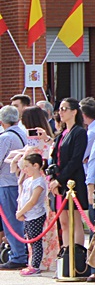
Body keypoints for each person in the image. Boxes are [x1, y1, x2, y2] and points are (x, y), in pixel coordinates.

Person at [50, 97, 88, 251]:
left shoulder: (79, 132)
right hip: (59, 181)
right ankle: (66, 252)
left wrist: (60, 179)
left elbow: (75, 159)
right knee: (63, 221)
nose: (61, 112)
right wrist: (53, 177)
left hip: (72, 179)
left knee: (75, 219)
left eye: (65, 109)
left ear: (74, 112)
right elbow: (54, 157)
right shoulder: (61, 133)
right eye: (60, 109)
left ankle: (77, 252)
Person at [0, 105, 29, 271]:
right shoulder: (23, 133)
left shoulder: (5, 138)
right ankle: (21, 251)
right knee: (19, 219)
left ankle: (18, 255)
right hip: (21, 180)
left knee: (11, 220)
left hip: (7, 182)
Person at [15, 152, 48, 276]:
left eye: (27, 166)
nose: (25, 169)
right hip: (27, 215)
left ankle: (35, 265)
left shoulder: (39, 183)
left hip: (36, 215)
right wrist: (20, 211)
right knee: (30, 240)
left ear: (36, 165)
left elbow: (33, 201)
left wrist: (22, 211)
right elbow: (22, 197)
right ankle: (31, 263)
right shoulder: (27, 181)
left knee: (36, 241)